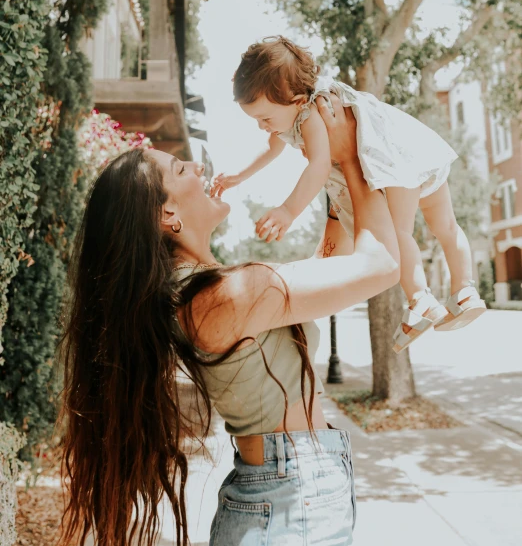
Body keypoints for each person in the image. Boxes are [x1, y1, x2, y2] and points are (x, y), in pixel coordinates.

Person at [58, 94, 399, 546]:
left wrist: (332, 180)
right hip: (290, 500)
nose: (198, 168)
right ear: (168, 214)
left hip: (285, 494)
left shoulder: (203, 291)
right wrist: (353, 158)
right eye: (181, 170)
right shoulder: (220, 297)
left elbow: (327, 272)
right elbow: (382, 266)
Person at [214, 36, 486, 353]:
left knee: (397, 235)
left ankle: (421, 300)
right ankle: (465, 291)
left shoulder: (312, 113)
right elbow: (270, 149)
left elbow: (317, 167)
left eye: (265, 118)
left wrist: (288, 210)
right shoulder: (293, 113)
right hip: (419, 150)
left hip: (395, 164)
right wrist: (239, 176)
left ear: (294, 98)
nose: (263, 126)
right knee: (447, 226)